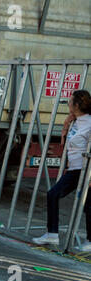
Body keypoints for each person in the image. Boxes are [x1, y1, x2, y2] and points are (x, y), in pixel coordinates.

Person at [33, 90, 91, 252]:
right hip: (74, 169)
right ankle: (52, 234)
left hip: (85, 170)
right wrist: (66, 124)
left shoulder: (89, 122)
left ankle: (89, 240)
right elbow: (66, 141)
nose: (68, 104)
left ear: (77, 105)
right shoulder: (76, 121)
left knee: (88, 205)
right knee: (54, 194)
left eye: (70, 102)